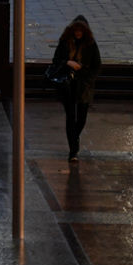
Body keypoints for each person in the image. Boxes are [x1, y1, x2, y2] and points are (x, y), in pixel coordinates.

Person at [50, 15, 101, 162]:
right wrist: (68, 63)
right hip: (68, 85)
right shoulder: (65, 42)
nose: (78, 33)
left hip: (83, 85)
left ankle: (74, 138)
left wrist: (86, 76)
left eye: (81, 31)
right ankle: (73, 151)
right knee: (71, 117)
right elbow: (56, 61)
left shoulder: (90, 44)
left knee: (82, 118)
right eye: (76, 30)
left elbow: (97, 65)